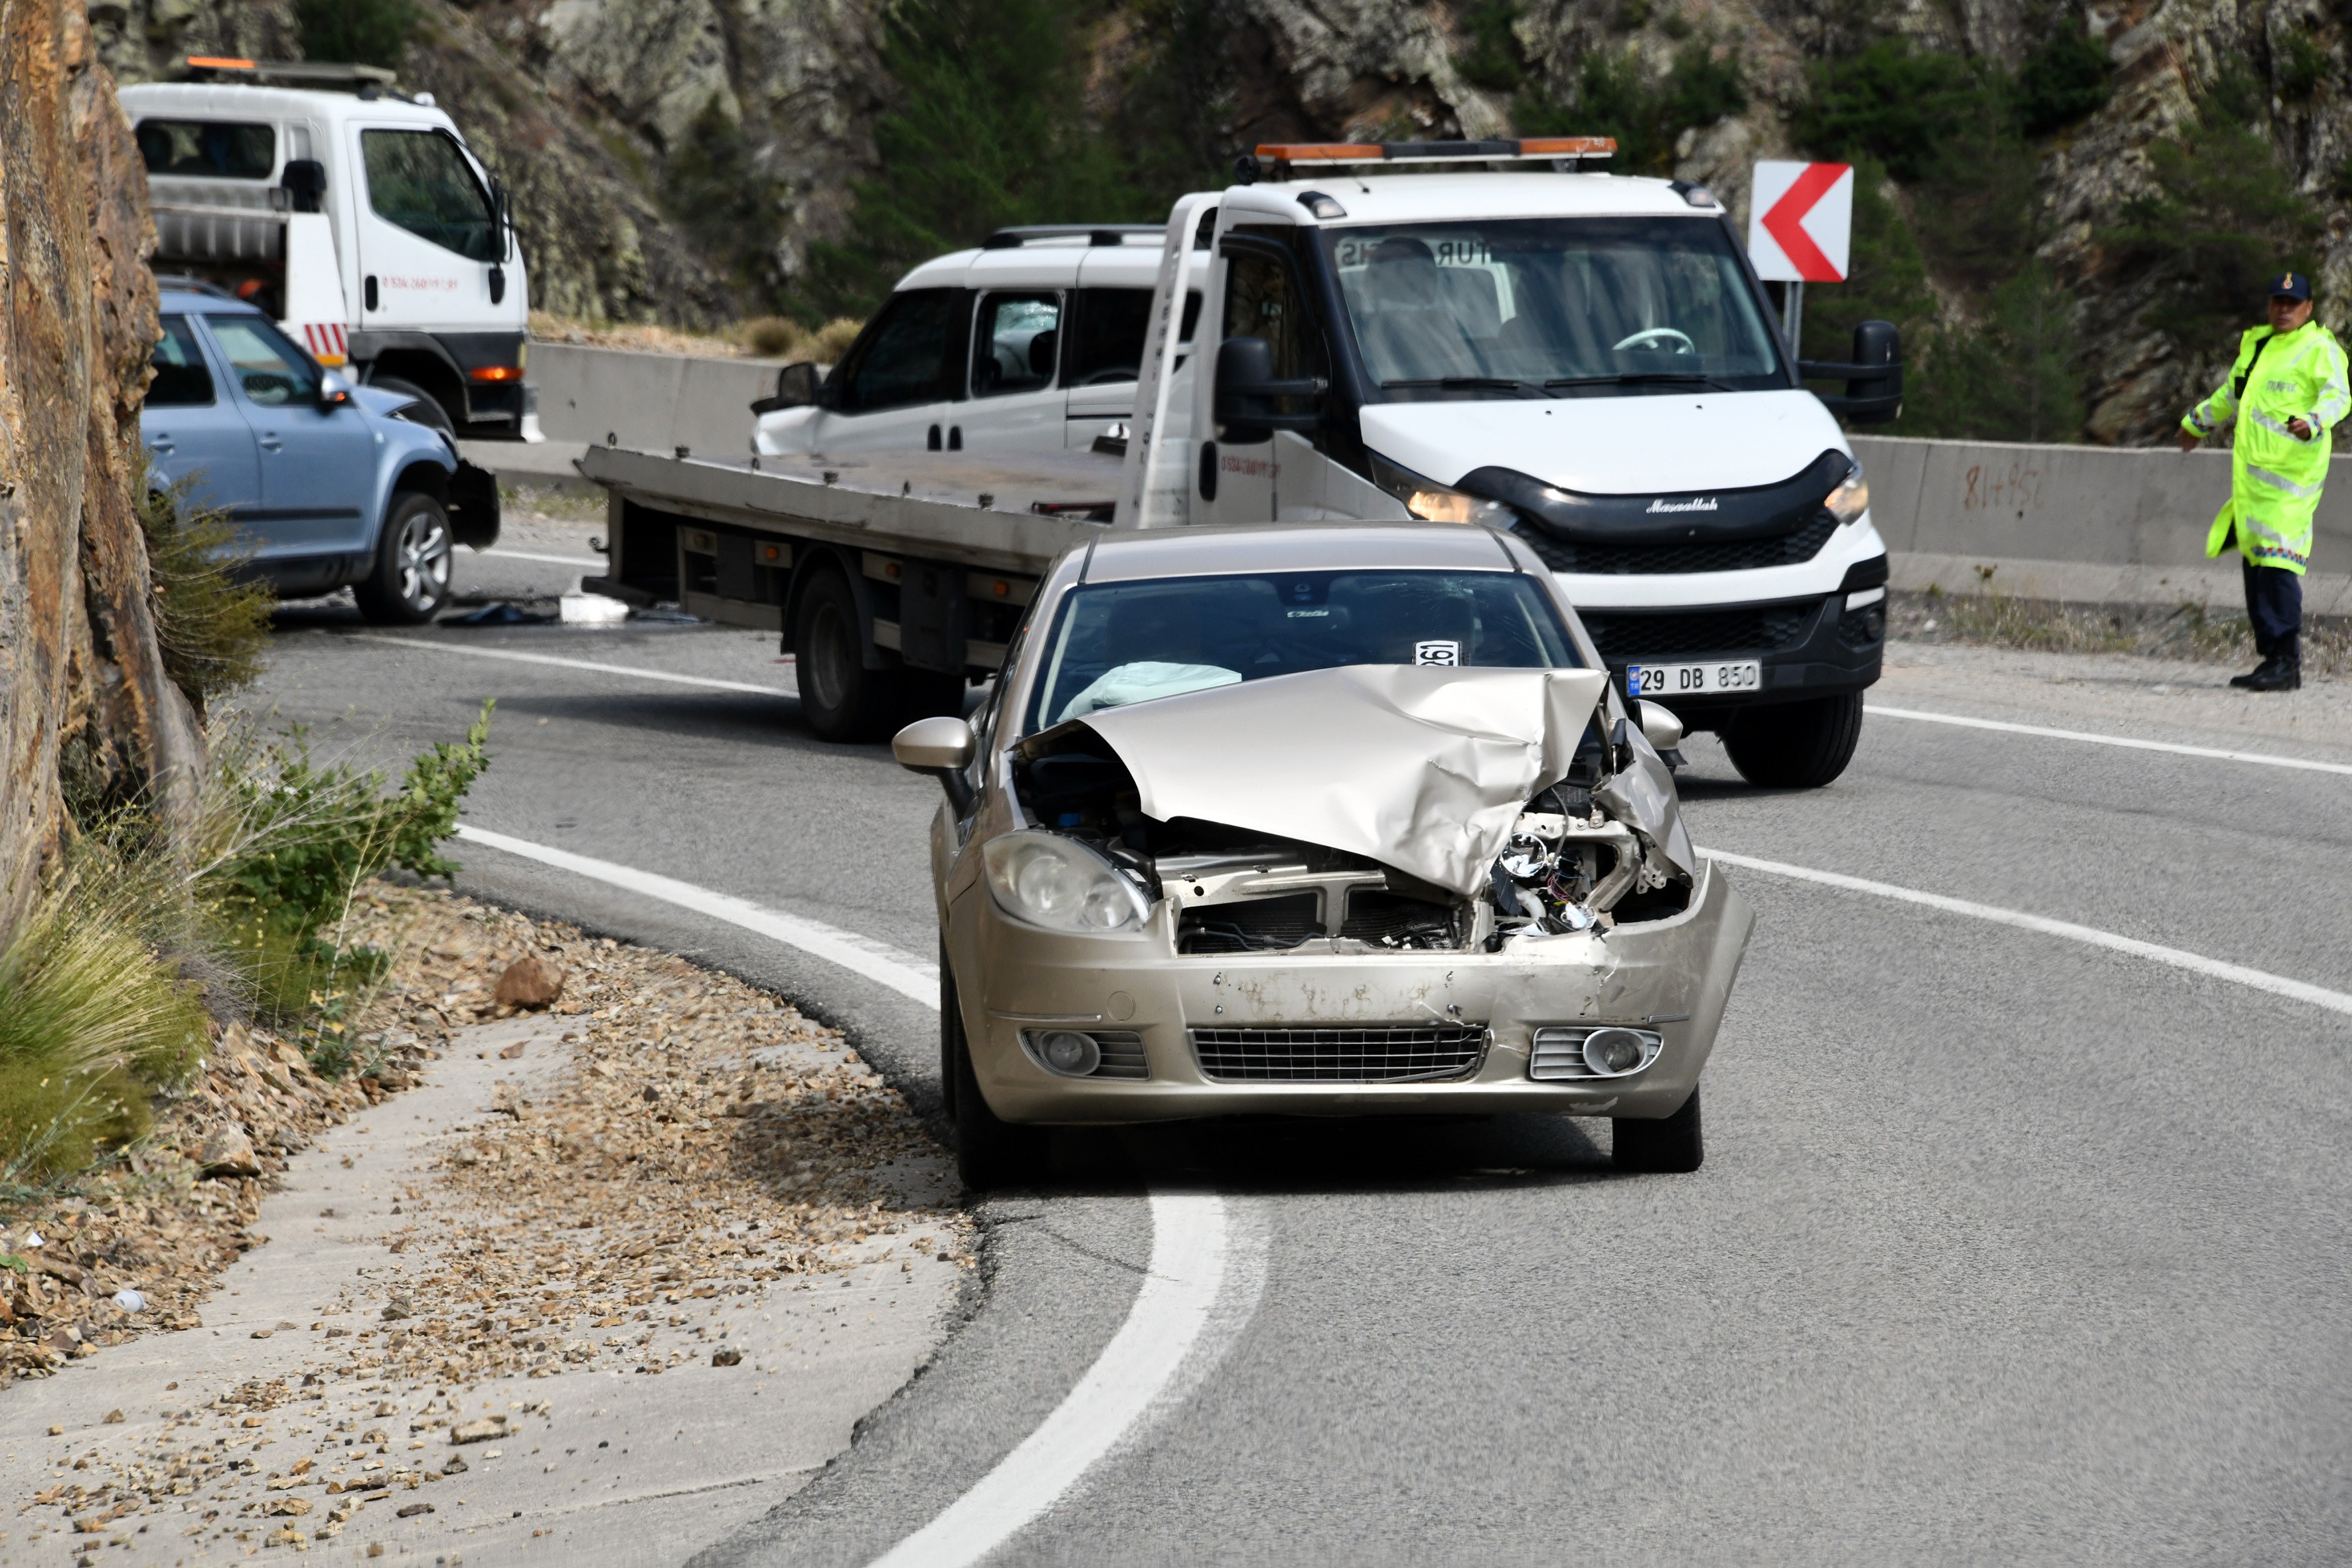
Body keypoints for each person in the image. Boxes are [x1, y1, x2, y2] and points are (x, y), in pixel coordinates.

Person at [2177, 272, 2349, 692]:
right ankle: (2272, 660)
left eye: (2293, 304)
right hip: (2253, 485)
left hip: (2291, 483)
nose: (2284, 309)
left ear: (2309, 308)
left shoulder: (2319, 348)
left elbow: (2339, 395)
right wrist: (2196, 424)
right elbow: (2232, 395)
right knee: (2257, 570)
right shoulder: (2256, 345)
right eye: (2278, 302)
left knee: (2278, 568)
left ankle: (2287, 664)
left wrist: (2314, 421)